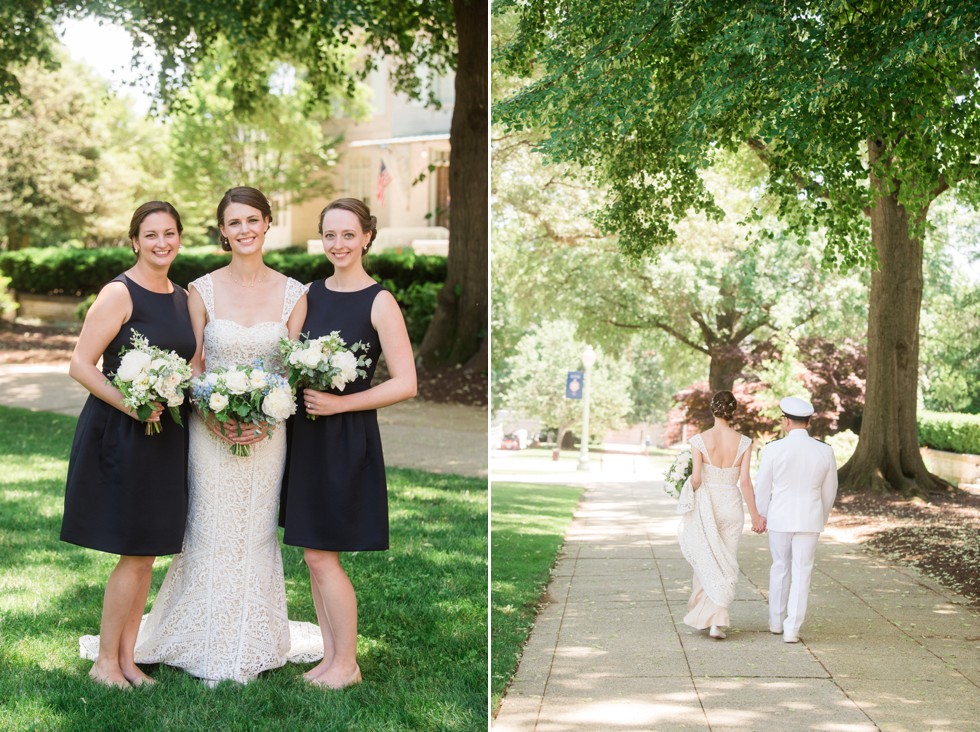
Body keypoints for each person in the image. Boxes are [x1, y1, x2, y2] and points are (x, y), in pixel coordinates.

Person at [121, 186, 320, 683]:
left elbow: (291, 374)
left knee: (253, 535)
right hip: (207, 433)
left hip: (267, 435)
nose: (245, 230)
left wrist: (268, 416)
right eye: (234, 223)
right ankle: (202, 641)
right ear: (223, 232)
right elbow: (195, 365)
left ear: (268, 223)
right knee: (208, 532)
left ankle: (253, 639)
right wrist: (210, 414)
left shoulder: (296, 293)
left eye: (253, 220)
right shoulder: (201, 290)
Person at [281, 197, 417, 689]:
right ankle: (331, 656)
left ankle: (347, 663)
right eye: (330, 235)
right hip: (304, 435)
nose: (338, 244)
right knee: (312, 551)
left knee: (322, 554)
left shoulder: (379, 301)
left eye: (347, 235)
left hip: (345, 434)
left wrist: (342, 404)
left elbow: (406, 382)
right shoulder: (308, 294)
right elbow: (284, 359)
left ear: (366, 237)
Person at [62, 201, 196, 687]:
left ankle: (127, 660)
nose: (162, 242)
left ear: (179, 238)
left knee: (149, 552)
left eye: (170, 233)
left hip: (166, 436)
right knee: (133, 553)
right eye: (151, 234)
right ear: (135, 241)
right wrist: (131, 405)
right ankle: (104, 663)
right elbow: (81, 364)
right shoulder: (119, 293)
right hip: (123, 432)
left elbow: (192, 368)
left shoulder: (183, 297)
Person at [677, 390, 766, 640]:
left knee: (707, 558)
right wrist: (756, 516)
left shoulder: (699, 441)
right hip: (731, 505)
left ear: (712, 409)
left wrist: (683, 492)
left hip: (708, 506)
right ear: (733, 411)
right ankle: (716, 620)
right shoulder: (745, 442)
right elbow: (746, 482)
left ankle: (712, 618)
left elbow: (696, 479)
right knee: (726, 561)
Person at [754, 396, 838, 643]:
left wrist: (762, 515)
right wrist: (820, 517)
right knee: (803, 572)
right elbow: (829, 491)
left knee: (780, 567)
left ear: (787, 422)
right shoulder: (825, 451)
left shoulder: (773, 449)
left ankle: (776, 622)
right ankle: (792, 629)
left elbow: (762, 486)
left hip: (780, 516)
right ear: (809, 421)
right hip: (810, 518)